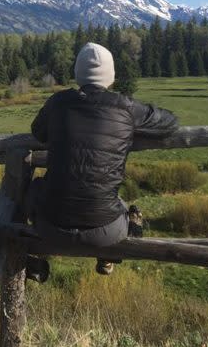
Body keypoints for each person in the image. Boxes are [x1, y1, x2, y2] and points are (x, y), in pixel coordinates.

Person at [28, 42, 178, 275]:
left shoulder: (58, 103)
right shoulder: (126, 107)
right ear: (111, 75)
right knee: (116, 202)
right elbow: (170, 122)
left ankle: (34, 256)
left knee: (35, 188)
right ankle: (112, 251)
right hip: (106, 230)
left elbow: (38, 132)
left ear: (78, 73)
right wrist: (130, 128)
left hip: (51, 226)